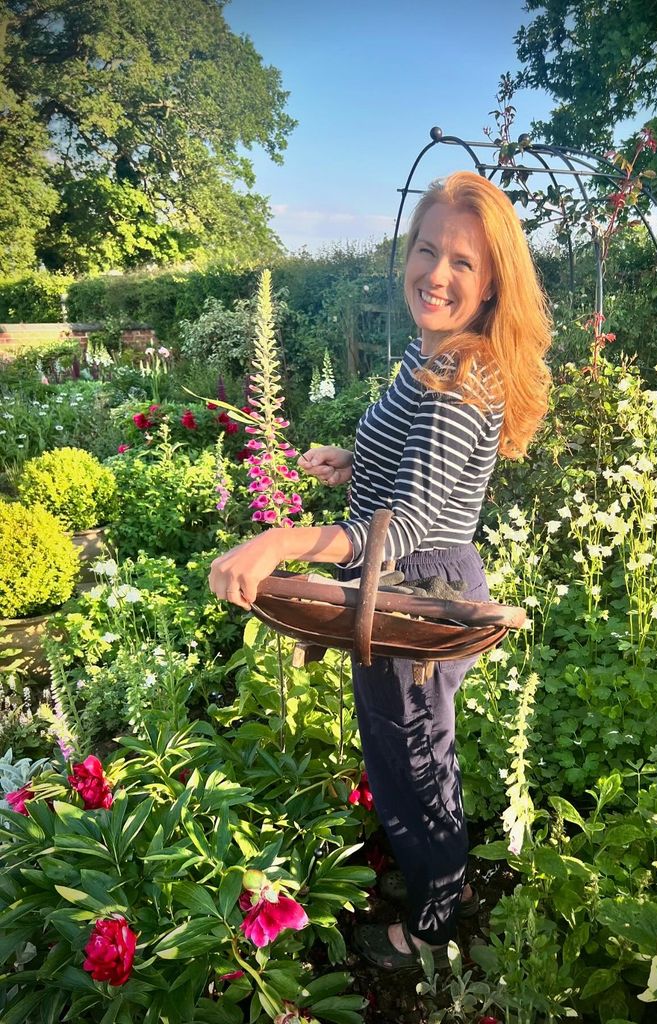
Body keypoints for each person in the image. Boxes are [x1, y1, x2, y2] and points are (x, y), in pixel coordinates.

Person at [208, 170, 552, 970]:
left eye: (462, 263)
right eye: (427, 251)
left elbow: (409, 526)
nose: (436, 274)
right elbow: (424, 474)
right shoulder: (430, 355)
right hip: (407, 585)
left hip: (415, 592)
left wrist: (283, 540)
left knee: (412, 763)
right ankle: (449, 881)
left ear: (493, 278)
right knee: (417, 750)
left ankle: (432, 925)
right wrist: (357, 456)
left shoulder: (456, 381)